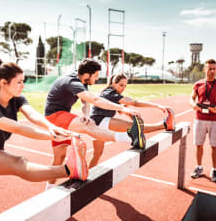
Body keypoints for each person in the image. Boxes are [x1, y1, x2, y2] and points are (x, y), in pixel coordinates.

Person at [0, 57, 88, 221]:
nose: (23, 85)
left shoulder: (16, 99)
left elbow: (32, 114)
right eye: (19, 82)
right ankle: (70, 170)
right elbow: (19, 128)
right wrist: (52, 135)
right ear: (4, 83)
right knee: (19, 162)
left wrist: (50, 127)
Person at [44, 59, 146, 190]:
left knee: (59, 157)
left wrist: (86, 115)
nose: (97, 79)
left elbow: (85, 102)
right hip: (55, 117)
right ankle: (130, 137)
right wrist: (122, 108)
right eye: (96, 76)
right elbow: (94, 100)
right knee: (89, 127)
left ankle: (48, 189)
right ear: (87, 75)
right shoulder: (72, 82)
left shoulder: (81, 82)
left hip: (58, 116)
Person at [89, 73, 176, 168]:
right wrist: (157, 106)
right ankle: (165, 125)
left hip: (94, 124)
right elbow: (135, 102)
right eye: (121, 85)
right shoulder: (111, 94)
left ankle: (88, 176)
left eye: (125, 86)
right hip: (100, 121)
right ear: (114, 83)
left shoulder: (108, 92)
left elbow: (120, 110)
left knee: (97, 154)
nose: (123, 88)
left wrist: (130, 115)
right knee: (135, 128)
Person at [189, 59, 216, 182]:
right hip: (200, 119)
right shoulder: (198, 84)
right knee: (199, 145)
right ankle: (199, 167)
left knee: (214, 146)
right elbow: (191, 98)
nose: (212, 71)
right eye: (209, 68)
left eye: (214, 69)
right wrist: (193, 105)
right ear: (205, 69)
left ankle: (214, 170)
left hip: (215, 120)